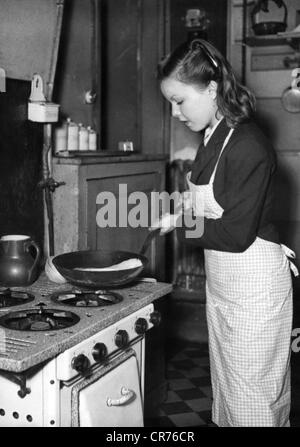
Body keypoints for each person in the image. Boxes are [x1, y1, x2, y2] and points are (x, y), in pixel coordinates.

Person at [154, 38, 299, 427]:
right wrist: (183, 209)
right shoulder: (212, 138)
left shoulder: (247, 144)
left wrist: (179, 224)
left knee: (255, 401)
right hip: (226, 288)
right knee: (231, 393)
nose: (174, 112)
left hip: (254, 290)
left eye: (180, 100)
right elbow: (215, 201)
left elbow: (234, 234)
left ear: (213, 89)